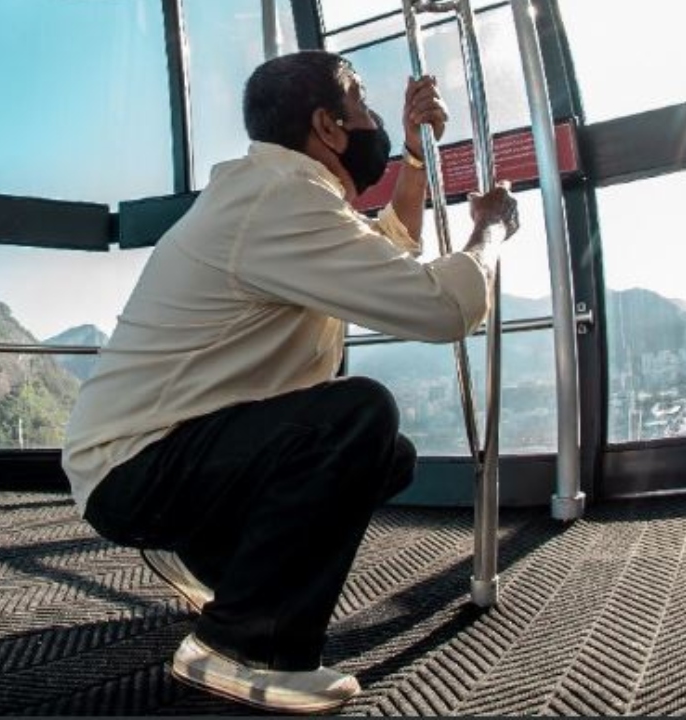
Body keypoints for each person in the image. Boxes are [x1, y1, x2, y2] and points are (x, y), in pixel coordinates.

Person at [61, 50, 518, 714]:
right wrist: (491, 232)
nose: (372, 121)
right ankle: (242, 646)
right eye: (360, 104)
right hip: (136, 467)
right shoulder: (280, 200)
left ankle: (211, 558)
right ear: (329, 127)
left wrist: (417, 164)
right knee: (356, 418)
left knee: (387, 457)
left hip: (155, 454)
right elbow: (445, 307)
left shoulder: (276, 194)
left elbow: (389, 244)